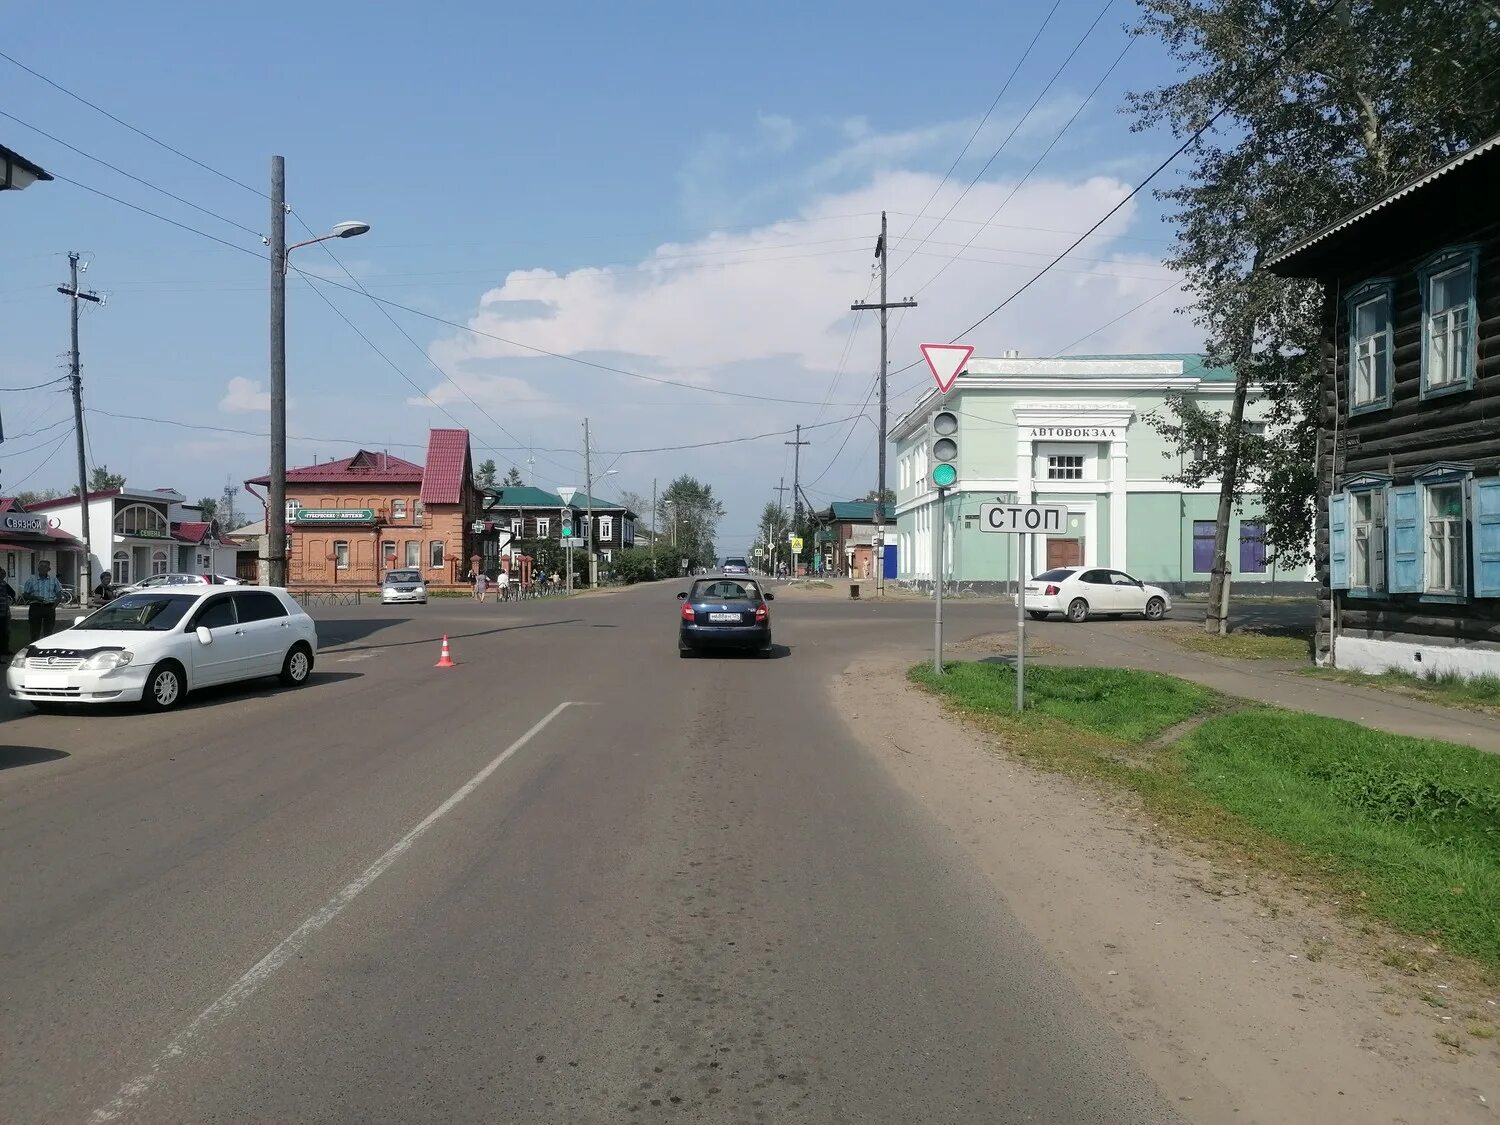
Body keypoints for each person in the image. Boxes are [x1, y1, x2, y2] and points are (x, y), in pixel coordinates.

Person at [22, 560, 64, 643]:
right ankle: (34, 647)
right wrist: (35, 597)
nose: (42, 568)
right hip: (35, 607)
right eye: (41, 566)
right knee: (34, 631)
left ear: (49, 569)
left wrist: (53, 607)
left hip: (49, 607)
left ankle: (46, 647)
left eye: (45, 566)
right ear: (38, 568)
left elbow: (59, 595)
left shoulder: (54, 580)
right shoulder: (31, 580)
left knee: (48, 632)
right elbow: (25, 595)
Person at [0, 567, 15, 657]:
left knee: (5, 632)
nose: (3, 576)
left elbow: (12, 593)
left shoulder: (4, 584)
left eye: (3, 574)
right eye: (1, 574)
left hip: (4, 612)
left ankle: (5, 649)